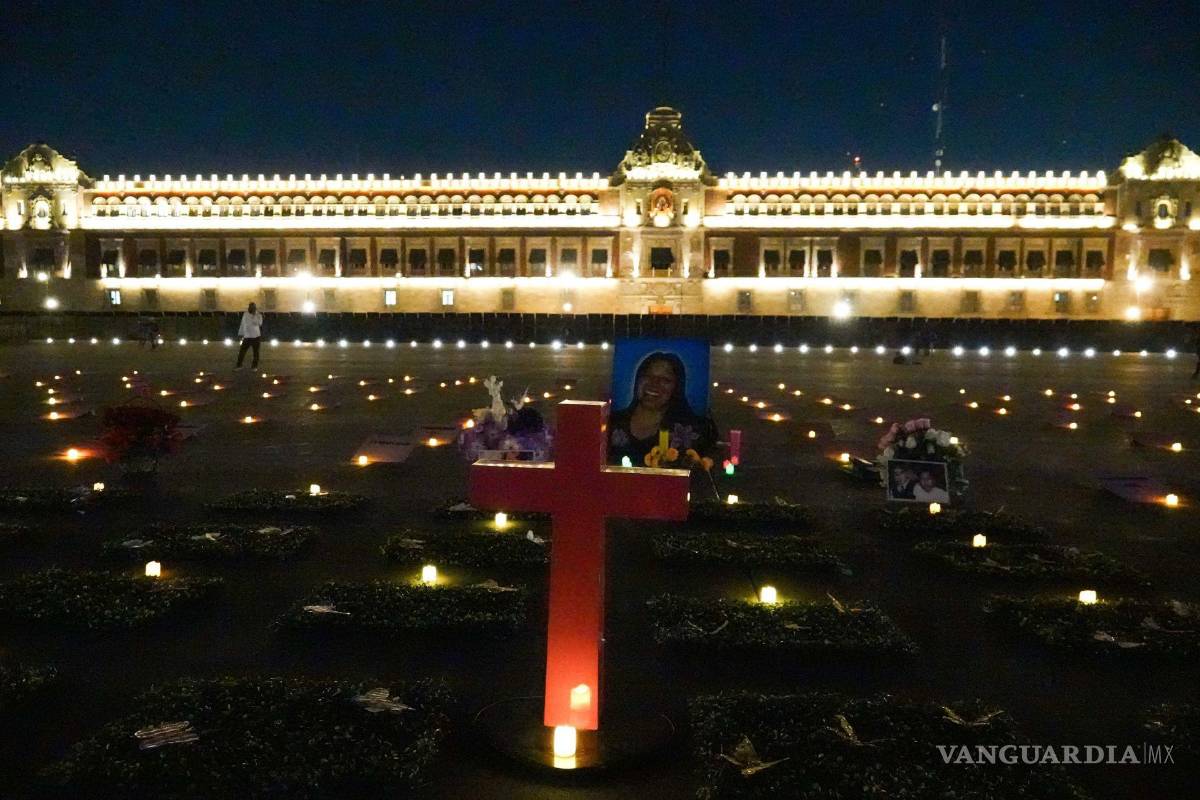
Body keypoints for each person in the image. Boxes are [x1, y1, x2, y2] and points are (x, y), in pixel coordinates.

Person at [607, 351, 718, 466]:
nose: (654, 384)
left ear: (677, 388)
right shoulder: (611, 423)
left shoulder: (693, 430)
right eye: (648, 376)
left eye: (665, 380)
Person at [235, 302, 264, 370]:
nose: (251, 308)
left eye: (253, 307)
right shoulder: (245, 314)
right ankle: (239, 365)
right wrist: (240, 334)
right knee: (242, 352)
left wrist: (253, 316)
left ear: (255, 308)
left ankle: (254, 366)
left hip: (256, 337)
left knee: (256, 353)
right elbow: (242, 324)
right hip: (247, 336)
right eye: (250, 307)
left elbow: (259, 323)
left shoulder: (258, 315)